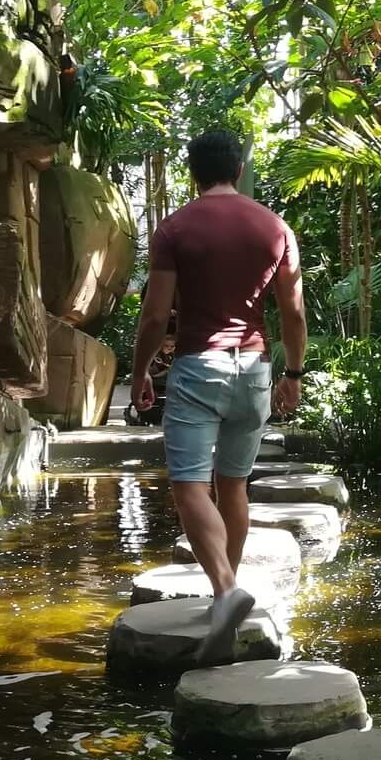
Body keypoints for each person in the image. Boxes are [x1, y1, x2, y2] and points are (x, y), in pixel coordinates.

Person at [130, 128, 306, 664]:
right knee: (233, 485)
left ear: (193, 171)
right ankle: (222, 596)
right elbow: (293, 312)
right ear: (238, 168)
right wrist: (293, 373)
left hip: (197, 367)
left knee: (189, 487)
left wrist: (139, 372)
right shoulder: (274, 227)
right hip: (254, 368)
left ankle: (227, 591)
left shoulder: (175, 228)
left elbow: (157, 315)